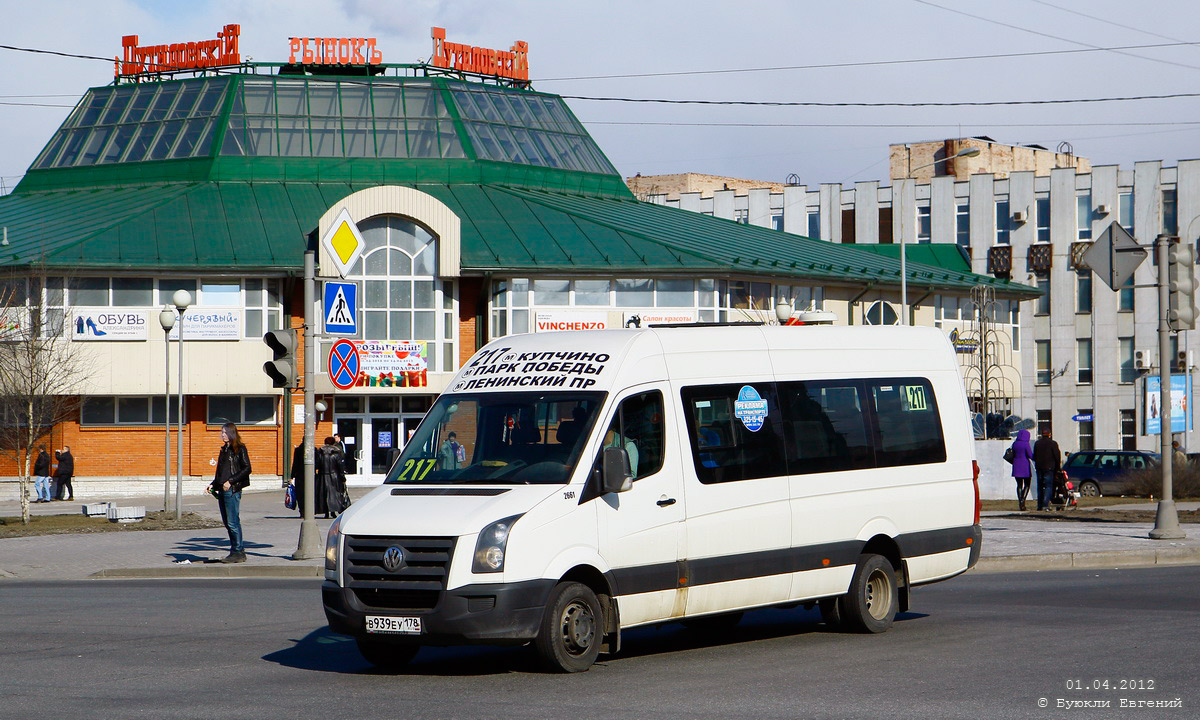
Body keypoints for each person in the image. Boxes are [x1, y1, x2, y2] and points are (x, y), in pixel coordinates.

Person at [208, 423, 251, 563]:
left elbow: (247, 468)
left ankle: (238, 551)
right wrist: (213, 484)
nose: (222, 435)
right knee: (228, 522)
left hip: (232, 489)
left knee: (233, 522)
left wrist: (231, 481)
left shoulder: (239, 449)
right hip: (222, 489)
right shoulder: (224, 450)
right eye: (222, 432)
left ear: (232, 433)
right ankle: (237, 550)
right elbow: (221, 472)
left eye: (225, 432)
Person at [317, 436, 349, 518]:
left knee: (323, 494)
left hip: (322, 476)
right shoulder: (336, 453)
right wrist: (343, 477)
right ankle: (333, 511)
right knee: (335, 494)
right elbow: (340, 466)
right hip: (334, 476)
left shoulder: (320, 453)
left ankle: (326, 512)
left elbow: (316, 465)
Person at [1032, 430, 1061, 512]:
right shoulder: (1053, 443)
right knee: (1048, 486)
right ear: (1049, 435)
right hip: (1049, 467)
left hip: (1039, 467)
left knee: (1040, 486)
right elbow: (1057, 456)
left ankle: (1039, 505)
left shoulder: (1037, 443)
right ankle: (1045, 504)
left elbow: (1034, 456)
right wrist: (1058, 467)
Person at [1008, 429, 1034, 511]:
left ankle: (1020, 501)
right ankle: (1023, 500)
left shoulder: (1015, 444)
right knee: (1027, 484)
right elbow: (1030, 455)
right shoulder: (1026, 444)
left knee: (1019, 485)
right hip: (1025, 466)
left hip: (1016, 465)